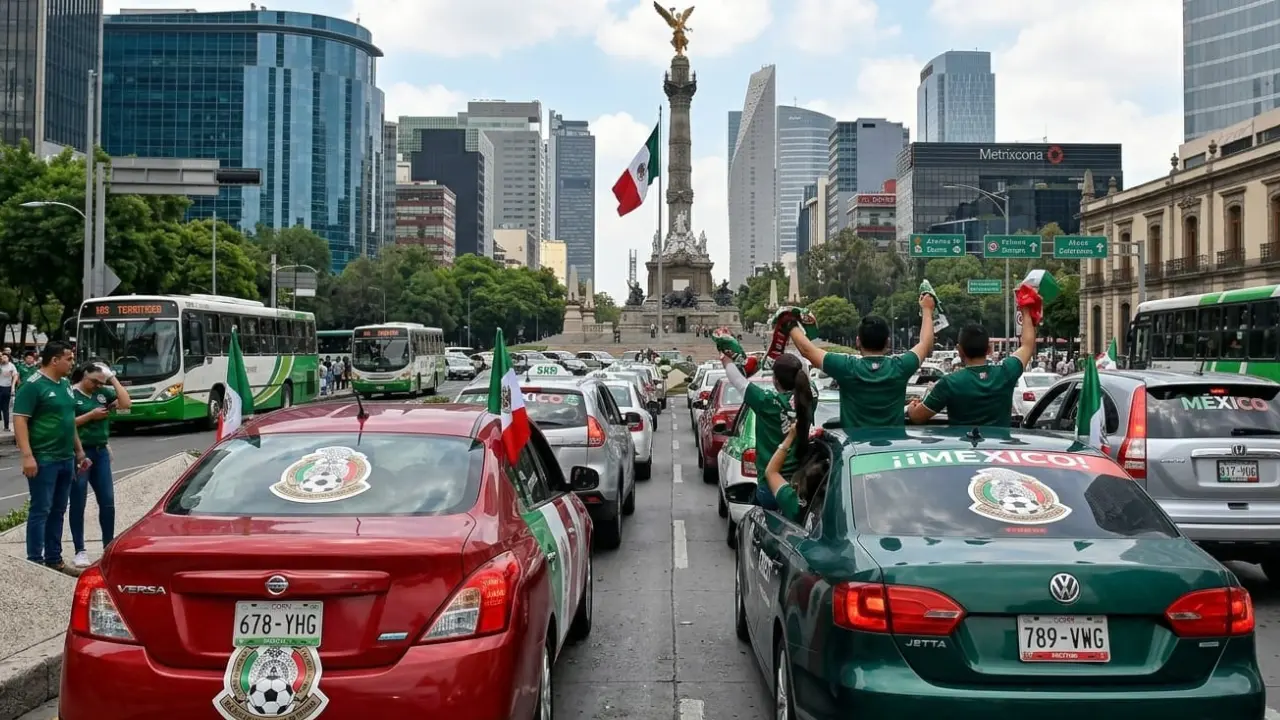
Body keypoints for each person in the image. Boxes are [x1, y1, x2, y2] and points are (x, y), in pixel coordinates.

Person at [789, 294, 936, 428]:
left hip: (855, 452)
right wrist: (927, 309)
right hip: (893, 451)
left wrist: (789, 323)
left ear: (858, 342)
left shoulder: (846, 367)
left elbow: (807, 351)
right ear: (888, 342)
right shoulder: (901, 367)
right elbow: (925, 343)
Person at [13, 341, 88, 571]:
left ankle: (54, 559)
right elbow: (20, 419)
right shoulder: (33, 385)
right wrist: (27, 456)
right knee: (41, 509)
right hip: (44, 458)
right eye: (68, 358)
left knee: (58, 509)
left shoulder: (65, 384)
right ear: (54, 360)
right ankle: (35, 561)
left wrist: (79, 451)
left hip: (66, 457)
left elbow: (68, 419)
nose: (72, 362)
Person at [908, 310, 1038, 427]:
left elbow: (917, 417)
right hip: (999, 450)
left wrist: (911, 407)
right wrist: (1026, 311)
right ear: (989, 349)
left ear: (959, 350)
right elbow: (1027, 345)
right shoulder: (1006, 372)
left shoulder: (949, 383)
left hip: (964, 451)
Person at [719, 351, 813, 510]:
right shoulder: (809, 398)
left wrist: (726, 358)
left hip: (770, 487)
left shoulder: (766, 402)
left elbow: (738, 381)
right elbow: (805, 368)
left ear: (775, 380)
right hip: (800, 485)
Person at [70, 361, 130, 567]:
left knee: (107, 500)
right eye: (94, 381)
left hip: (100, 451)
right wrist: (90, 416)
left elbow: (125, 403)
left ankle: (108, 545)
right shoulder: (72, 394)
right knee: (78, 500)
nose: (97, 386)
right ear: (84, 375)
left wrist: (112, 378)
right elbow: (65, 422)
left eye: (100, 382)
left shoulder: (103, 393)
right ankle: (79, 549)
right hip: (79, 453)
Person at [762, 427, 827, 523]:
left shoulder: (793, 503)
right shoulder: (842, 502)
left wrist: (791, 436)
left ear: (798, 484)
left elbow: (771, 472)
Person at [0, 353, 16, 432]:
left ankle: (6, 426)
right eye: (2, 357)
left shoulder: (11, 366)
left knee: (5, 408)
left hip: (7, 388)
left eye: (5, 357)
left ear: (8, 358)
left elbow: (15, 375)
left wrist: (13, 387)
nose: (3, 358)